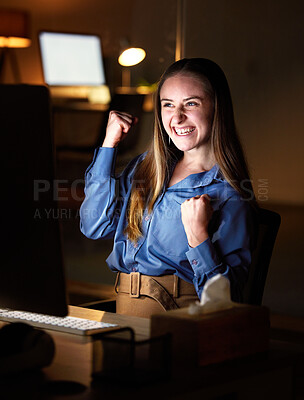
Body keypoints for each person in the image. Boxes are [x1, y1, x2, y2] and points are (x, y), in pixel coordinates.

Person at [80, 58, 257, 318]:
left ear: (217, 108)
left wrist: (198, 236)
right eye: (168, 105)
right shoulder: (146, 169)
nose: (177, 117)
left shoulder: (227, 193)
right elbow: (94, 226)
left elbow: (226, 299)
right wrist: (109, 146)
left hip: (178, 317)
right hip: (123, 309)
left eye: (192, 103)